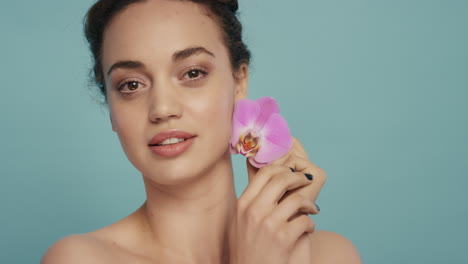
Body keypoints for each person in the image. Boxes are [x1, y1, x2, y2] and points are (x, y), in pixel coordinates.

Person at [41, 0, 362, 263]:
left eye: (192, 73)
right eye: (131, 84)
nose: (163, 108)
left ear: (239, 83)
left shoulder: (328, 256)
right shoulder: (79, 258)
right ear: (110, 108)